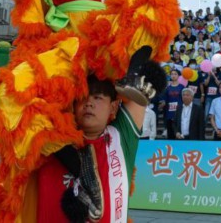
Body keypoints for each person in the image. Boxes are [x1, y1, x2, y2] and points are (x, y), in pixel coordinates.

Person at [36, 75, 148, 222]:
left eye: (97, 97)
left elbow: (139, 82)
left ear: (113, 106)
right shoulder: (46, 135)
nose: (88, 103)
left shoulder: (122, 135)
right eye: (82, 97)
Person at [161, 70, 184, 139]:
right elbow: (164, 100)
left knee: (179, 134)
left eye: (175, 74)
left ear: (178, 76)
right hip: (169, 114)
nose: (173, 75)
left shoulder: (182, 87)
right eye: (172, 74)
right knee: (170, 135)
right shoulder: (167, 88)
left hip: (179, 114)